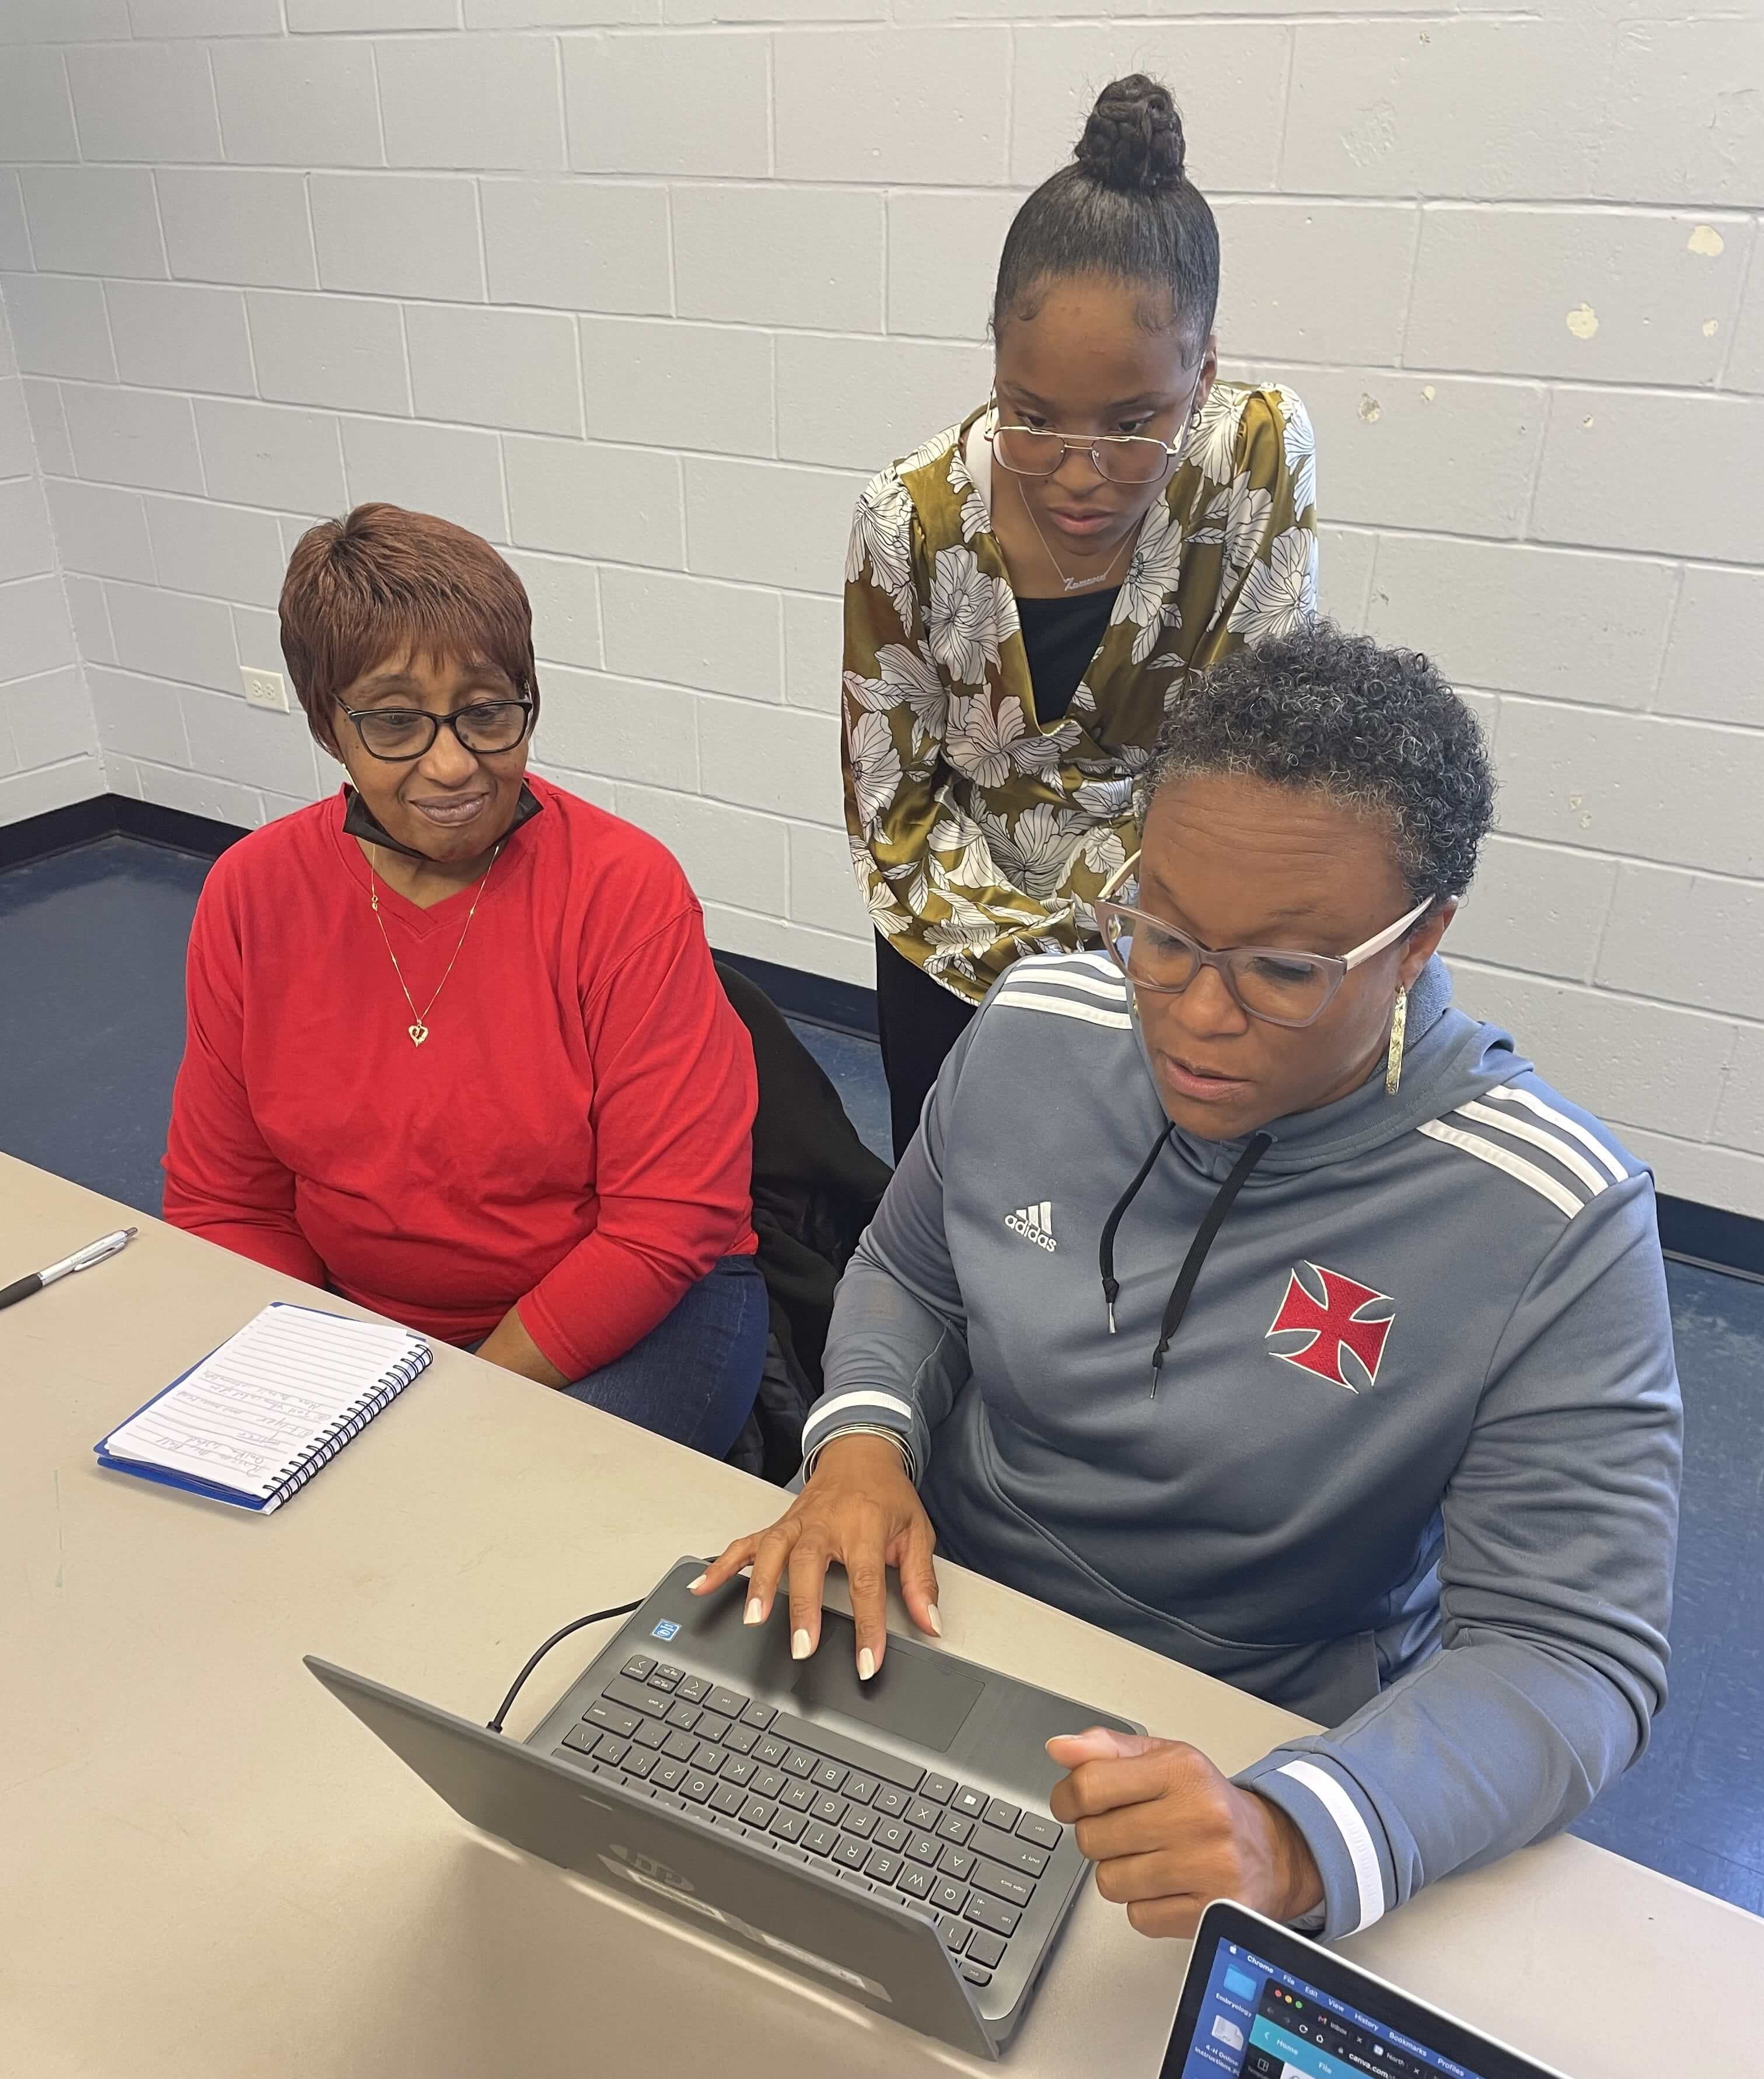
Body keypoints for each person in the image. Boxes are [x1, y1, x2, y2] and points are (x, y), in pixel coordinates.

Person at [699, 623, 1682, 1941]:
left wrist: (1300, 1835)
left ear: (1421, 940)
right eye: (1161, 931)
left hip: (1240, 1720)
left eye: (1283, 970)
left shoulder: (1553, 1219)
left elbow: (1574, 1654)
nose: (1195, 1016)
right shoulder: (1041, 1030)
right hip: (936, 1620)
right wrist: (865, 1443)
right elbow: (914, 1273)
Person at [162, 504, 766, 1456]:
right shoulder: (253, 894)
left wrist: (445, 1405)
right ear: (329, 726)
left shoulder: (623, 888)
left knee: (503, 1523)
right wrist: (309, 1364)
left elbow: (666, 1223)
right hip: (364, 1313)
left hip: (638, 1309)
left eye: (487, 712)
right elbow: (228, 1202)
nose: (452, 766)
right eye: (395, 722)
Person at [844, 72, 1318, 1155]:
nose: (1079, 473)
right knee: (957, 1223)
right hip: (954, 950)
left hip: (1175, 950)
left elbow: (1260, 743)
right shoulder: (909, 521)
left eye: (1132, 421)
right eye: (1034, 416)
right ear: (996, 365)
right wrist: (1046, 982)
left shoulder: (1252, 464)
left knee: (1143, 1240)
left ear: (1204, 372)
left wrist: (1151, 957)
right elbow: (893, 813)